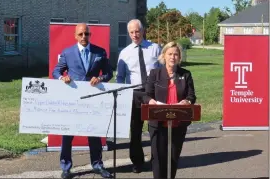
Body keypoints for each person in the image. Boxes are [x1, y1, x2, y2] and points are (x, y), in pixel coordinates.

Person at [52, 23, 113, 179]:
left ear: (90, 34)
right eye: (80, 34)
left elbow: (108, 73)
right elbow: (56, 70)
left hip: (92, 100)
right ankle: (66, 167)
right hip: (73, 100)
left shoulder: (100, 52)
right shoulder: (67, 53)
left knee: (94, 135)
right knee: (68, 136)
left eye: (86, 34)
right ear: (75, 35)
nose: (84, 37)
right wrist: (62, 77)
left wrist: (100, 78)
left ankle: (98, 165)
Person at [143, 41, 196, 179]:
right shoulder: (155, 74)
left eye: (176, 54)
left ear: (179, 57)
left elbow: (191, 95)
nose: (173, 57)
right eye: (170, 54)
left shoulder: (186, 74)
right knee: (158, 158)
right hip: (158, 123)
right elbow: (146, 94)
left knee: (173, 158)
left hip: (178, 123)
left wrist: (187, 101)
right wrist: (150, 101)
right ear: (164, 56)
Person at [116, 19, 161, 173]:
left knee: (155, 129)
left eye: (137, 31)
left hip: (153, 93)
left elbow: (162, 72)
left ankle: (157, 160)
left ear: (143, 31)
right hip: (134, 95)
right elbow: (120, 77)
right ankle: (137, 162)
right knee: (135, 131)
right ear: (129, 34)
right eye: (132, 32)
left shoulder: (155, 48)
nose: (135, 35)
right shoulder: (124, 53)